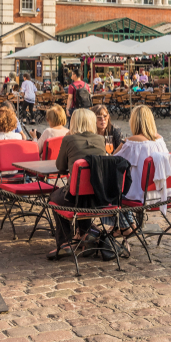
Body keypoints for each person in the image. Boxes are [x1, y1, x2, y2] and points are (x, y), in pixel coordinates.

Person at [46, 109, 106, 260]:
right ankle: (85, 233)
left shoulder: (69, 140)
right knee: (82, 194)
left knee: (54, 197)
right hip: (98, 197)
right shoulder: (100, 140)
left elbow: (60, 167)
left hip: (75, 196)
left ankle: (65, 242)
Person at [112, 106, 171, 238]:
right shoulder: (160, 140)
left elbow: (113, 160)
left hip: (141, 196)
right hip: (161, 194)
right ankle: (131, 226)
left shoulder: (132, 142)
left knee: (113, 193)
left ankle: (125, 227)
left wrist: (123, 142)